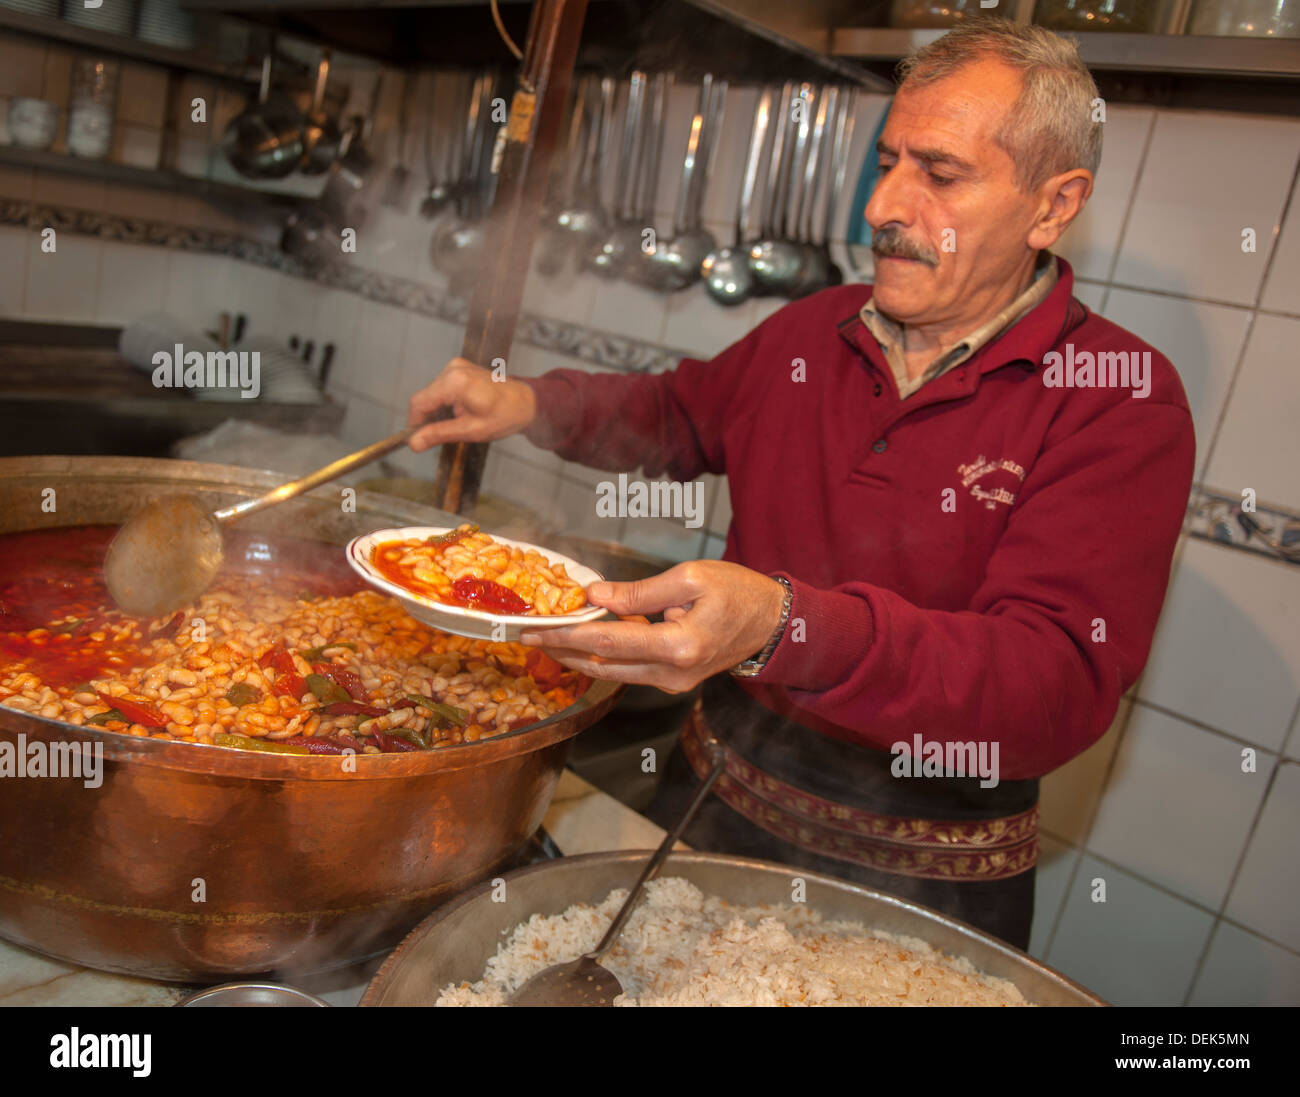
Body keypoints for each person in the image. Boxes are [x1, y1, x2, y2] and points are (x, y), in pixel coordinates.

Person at [406, 18, 1195, 949]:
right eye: (889, 160)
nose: (884, 206)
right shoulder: (814, 330)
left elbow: (1049, 685)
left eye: (939, 175)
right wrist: (528, 402)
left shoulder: (1117, 399)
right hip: (700, 818)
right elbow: (678, 413)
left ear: (1053, 205)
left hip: (915, 897)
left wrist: (788, 627)